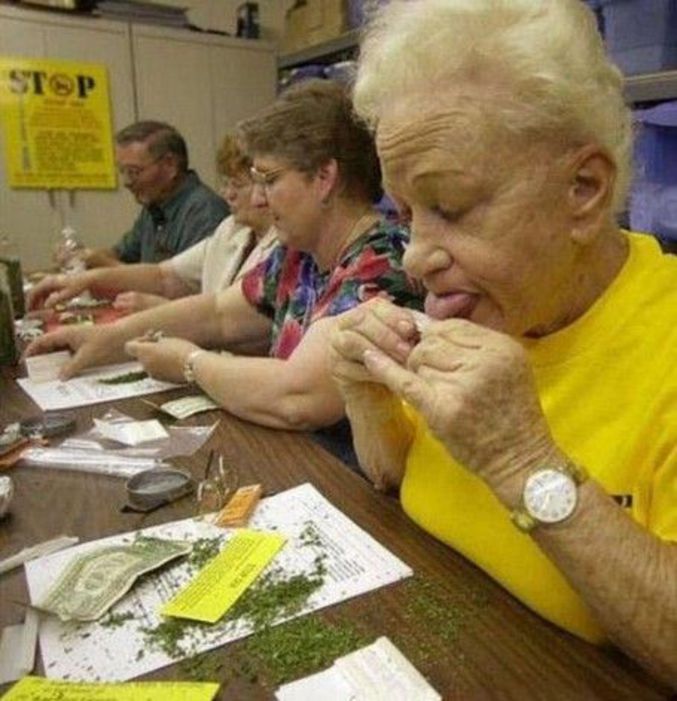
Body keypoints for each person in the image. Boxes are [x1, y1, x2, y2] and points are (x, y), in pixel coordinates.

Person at [329, 0, 677, 687]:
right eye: (404, 216)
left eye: (450, 208)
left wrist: (520, 459)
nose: (413, 258)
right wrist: (364, 395)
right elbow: (399, 479)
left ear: (582, 188)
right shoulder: (487, 310)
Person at [26, 80, 422, 439]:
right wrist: (108, 339)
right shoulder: (298, 255)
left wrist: (189, 362)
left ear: (324, 177)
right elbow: (217, 313)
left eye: (269, 180)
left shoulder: (383, 260)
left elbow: (301, 397)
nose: (257, 199)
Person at [28, 135, 275, 314]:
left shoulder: (207, 210)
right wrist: (85, 279)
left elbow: (229, 323)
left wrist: (162, 310)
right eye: (225, 183)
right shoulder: (231, 228)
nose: (227, 194)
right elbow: (164, 276)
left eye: (238, 185)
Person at [71, 120, 229, 268]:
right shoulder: (155, 204)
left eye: (134, 172)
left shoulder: (204, 211)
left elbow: (185, 286)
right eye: (122, 171)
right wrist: (83, 256)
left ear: (169, 165)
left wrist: (106, 265)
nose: (126, 182)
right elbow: (120, 254)